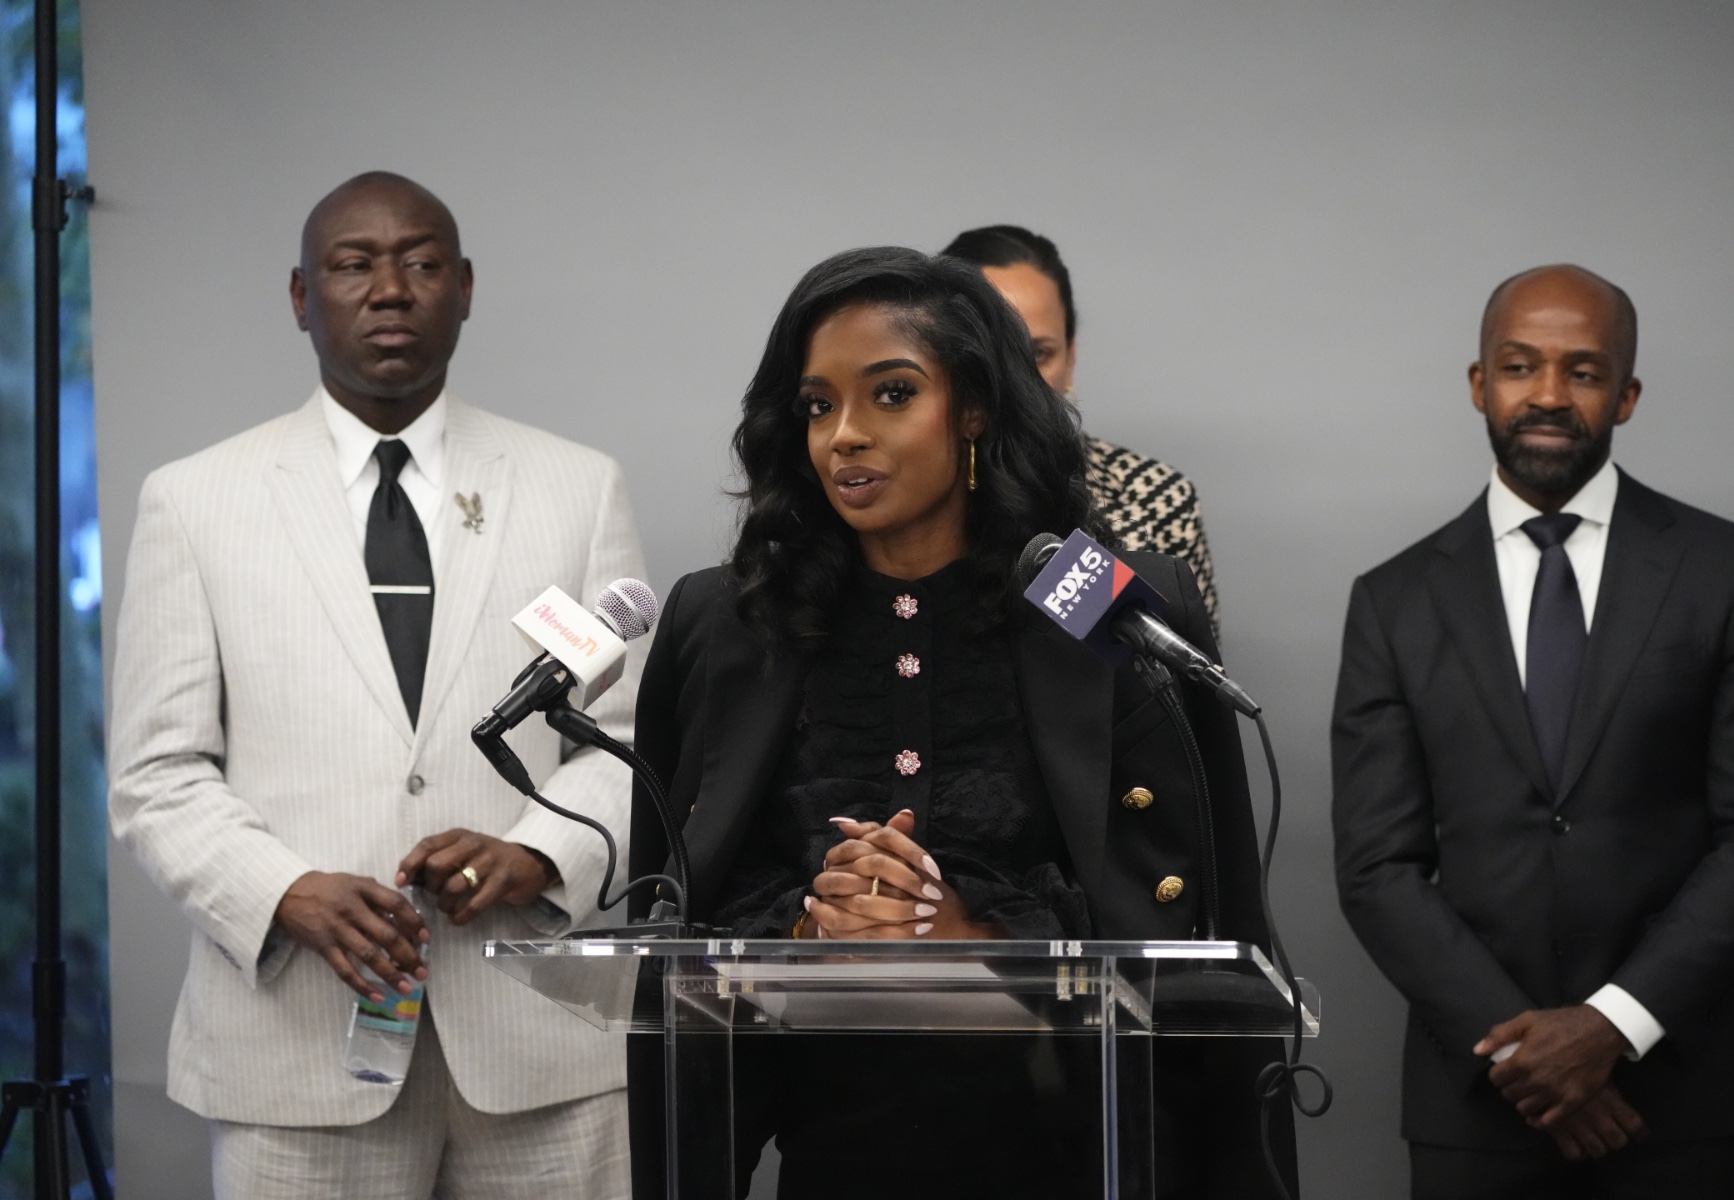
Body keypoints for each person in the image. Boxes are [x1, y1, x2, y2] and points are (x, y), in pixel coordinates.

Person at [626, 246, 1295, 1198]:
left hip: (1076, 1149)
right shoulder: (728, 619)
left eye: (891, 394)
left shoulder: (1101, 600)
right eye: (818, 405)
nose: (844, 436)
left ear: (973, 409)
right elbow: (673, 918)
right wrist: (817, 930)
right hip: (831, 1157)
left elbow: (1189, 904)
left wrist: (964, 929)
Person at [108, 172, 645, 1198]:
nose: (390, 289)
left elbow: (619, 739)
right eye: (355, 265)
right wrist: (285, 894)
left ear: (467, 288)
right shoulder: (195, 501)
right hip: (298, 1048)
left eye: (422, 262)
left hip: (542, 1049)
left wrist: (539, 854)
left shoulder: (578, 488)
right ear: (303, 297)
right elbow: (157, 772)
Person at [1332, 264, 1734, 1199]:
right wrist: (1528, 1054)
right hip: (1480, 1103)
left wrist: (1611, 1026)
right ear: (1479, 384)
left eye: (1583, 372)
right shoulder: (1392, 602)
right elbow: (1377, 868)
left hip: (1693, 1095)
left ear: (1625, 395)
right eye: (1520, 367)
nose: (1549, 395)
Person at [942, 224, 1221, 639]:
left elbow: (1184, 689)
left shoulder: (1154, 499)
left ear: (1070, 358)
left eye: (1039, 353)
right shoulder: (902, 493)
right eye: (995, 353)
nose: (1019, 379)